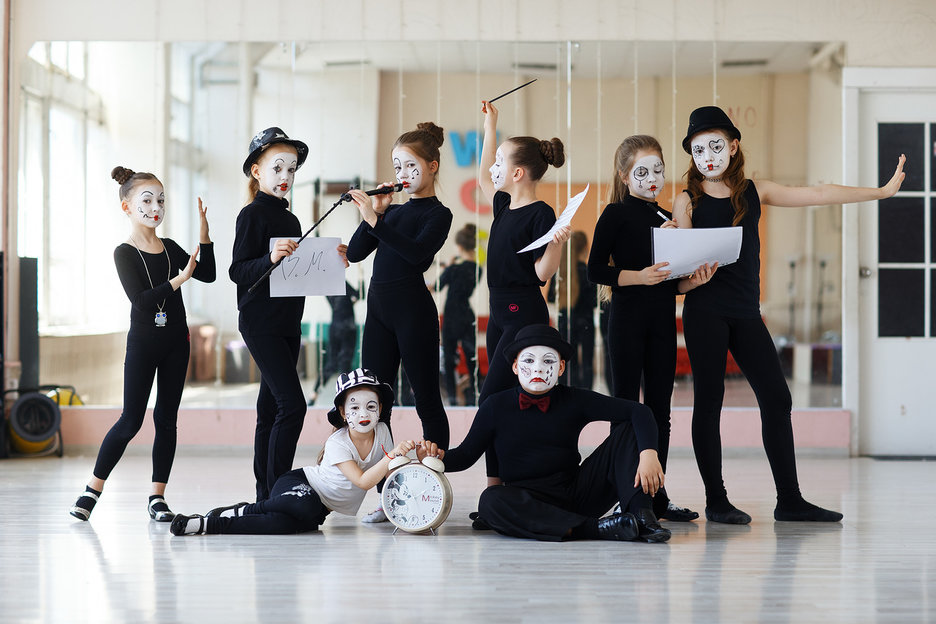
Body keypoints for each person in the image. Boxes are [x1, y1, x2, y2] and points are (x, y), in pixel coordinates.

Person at [674, 105, 906, 523]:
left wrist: (881, 192)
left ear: (733, 146)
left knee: (778, 399)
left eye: (715, 146)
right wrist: (692, 273)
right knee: (709, 402)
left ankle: (790, 500)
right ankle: (716, 501)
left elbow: (817, 194)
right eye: (698, 149)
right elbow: (680, 273)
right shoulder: (686, 200)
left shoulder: (755, 191)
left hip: (746, 312)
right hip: (705, 311)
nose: (707, 156)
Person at [418, 324, 670, 543]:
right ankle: (595, 529)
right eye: (528, 361)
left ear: (561, 368)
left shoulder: (574, 399)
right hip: (526, 499)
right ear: (515, 366)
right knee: (490, 501)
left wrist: (649, 454)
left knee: (629, 429)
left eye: (548, 361)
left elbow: (639, 411)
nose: (538, 369)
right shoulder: (495, 406)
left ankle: (642, 517)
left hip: (576, 493)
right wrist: (434, 458)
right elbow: (466, 455)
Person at [69, 166, 215, 522]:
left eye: (161, 200)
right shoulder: (124, 252)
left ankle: (157, 497)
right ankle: (92, 490)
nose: (156, 208)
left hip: (177, 342)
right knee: (130, 420)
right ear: (127, 207)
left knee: (167, 420)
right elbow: (142, 301)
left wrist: (205, 235)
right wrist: (179, 279)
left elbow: (209, 274)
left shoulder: (170, 248)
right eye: (147, 201)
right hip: (143, 344)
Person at [587, 135, 705, 523]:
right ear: (625, 176)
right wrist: (638, 276)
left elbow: (672, 284)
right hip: (626, 321)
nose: (652, 178)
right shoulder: (614, 214)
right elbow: (595, 270)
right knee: (625, 407)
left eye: (658, 170)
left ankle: (656, 496)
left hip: (662, 323)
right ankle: (626, 494)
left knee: (660, 411)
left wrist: (693, 280)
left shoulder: (666, 218)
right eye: (643, 171)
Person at [229, 127, 348, 502]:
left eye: (292, 169)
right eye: (277, 168)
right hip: (260, 323)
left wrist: (334, 262)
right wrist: (269, 257)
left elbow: (302, 275)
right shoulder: (251, 216)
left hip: (288, 324)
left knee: (269, 410)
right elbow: (238, 272)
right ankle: (278, 491)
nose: (286, 176)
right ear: (256, 171)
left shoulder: (293, 221)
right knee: (292, 405)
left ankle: (265, 495)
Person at [345, 122, 453, 522]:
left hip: (413, 313)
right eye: (397, 167)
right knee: (377, 402)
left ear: (432, 166)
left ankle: (432, 489)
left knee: (426, 398)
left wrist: (378, 222)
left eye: (410, 166)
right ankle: (386, 495)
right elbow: (356, 253)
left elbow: (417, 255)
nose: (403, 174)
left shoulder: (438, 214)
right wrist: (376, 214)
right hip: (378, 313)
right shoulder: (392, 212)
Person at [170, 369, 416, 536]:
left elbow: (390, 475)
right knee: (307, 506)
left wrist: (416, 461)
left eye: (371, 406)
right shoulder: (338, 443)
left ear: (380, 408)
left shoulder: (382, 432)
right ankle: (245, 509)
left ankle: (206, 524)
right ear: (342, 412)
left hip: (315, 508)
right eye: (354, 407)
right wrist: (392, 456)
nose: (363, 414)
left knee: (282, 525)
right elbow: (363, 481)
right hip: (297, 484)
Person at [476, 100, 571, 484]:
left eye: (500, 162)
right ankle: (496, 487)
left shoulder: (541, 213)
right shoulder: (503, 204)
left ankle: (503, 484)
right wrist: (491, 126)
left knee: (489, 398)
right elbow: (484, 178)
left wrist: (557, 243)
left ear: (517, 173)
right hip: (499, 310)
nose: (493, 168)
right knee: (500, 399)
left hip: (523, 311)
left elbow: (541, 273)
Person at [436, 223, 481, 405]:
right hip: (467, 314)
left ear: (459, 246)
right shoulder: (478, 269)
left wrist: (448, 268)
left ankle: (453, 399)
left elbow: (436, 286)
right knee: (471, 357)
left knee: (449, 358)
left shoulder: (453, 269)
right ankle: (474, 396)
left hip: (451, 315)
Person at [548, 230, 597, 390]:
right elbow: (595, 302)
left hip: (565, 321)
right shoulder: (588, 272)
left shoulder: (560, 272)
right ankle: (586, 396)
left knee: (568, 362)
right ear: (585, 248)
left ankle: (568, 394)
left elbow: (550, 298)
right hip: (586, 322)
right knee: (587, 362)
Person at [309, 280, 360, 404]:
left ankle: (314, 394)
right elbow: (357, 296)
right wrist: (361, 282)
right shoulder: (341, 282)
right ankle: (345, 396)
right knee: (345, 362)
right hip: (348, 326)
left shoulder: (327, 286)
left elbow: (346, 301)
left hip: (335, 326)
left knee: (332, 363)